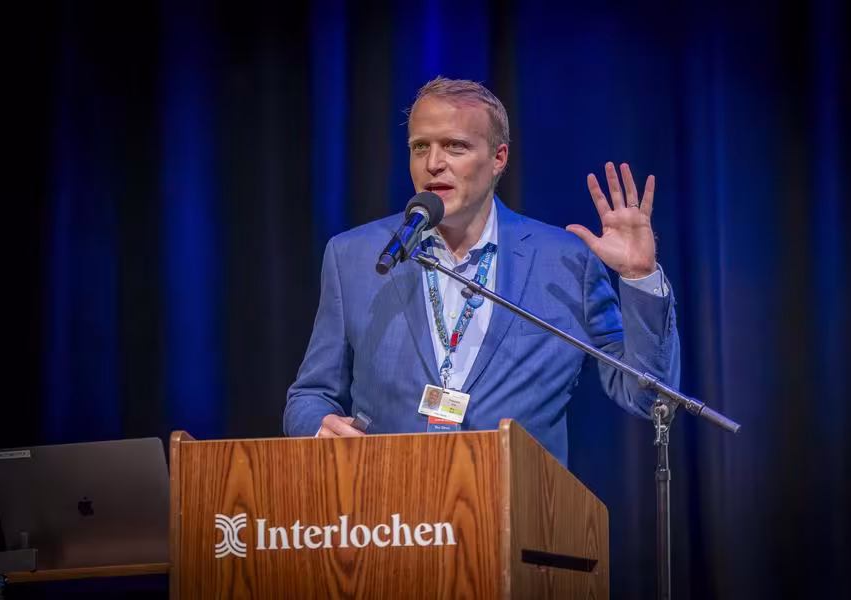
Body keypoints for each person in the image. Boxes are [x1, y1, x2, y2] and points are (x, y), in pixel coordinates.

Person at [283, 77, 680, 466]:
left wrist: (640, 276)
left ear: (498, 159)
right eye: (420, 146)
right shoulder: (355, 255)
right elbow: (309, 395)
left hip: (521, 512)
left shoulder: (564, 262)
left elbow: (648, 397)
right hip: (390, 513)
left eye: (455, 146)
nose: (433, 163)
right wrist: (319, 429)